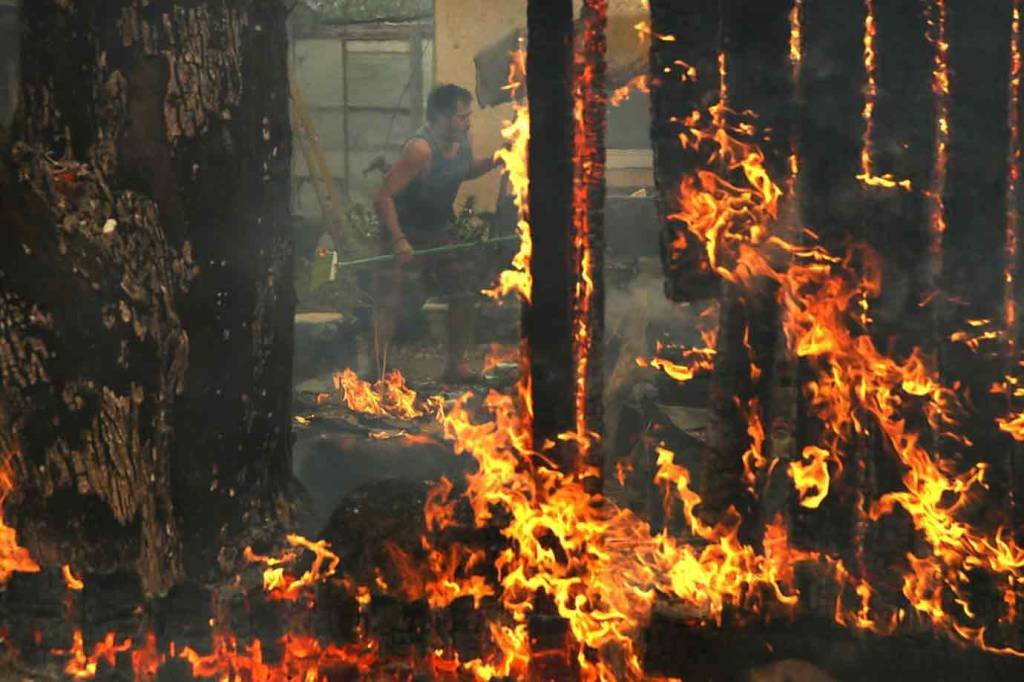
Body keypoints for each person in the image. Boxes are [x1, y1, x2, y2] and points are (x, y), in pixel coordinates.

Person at [372, 84, 500, 383]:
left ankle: (456, 366)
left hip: (440, 229)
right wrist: (398, 240)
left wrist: (496, 160)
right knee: (390, 302)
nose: (468, 122)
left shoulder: (461, 139)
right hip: (404, 232)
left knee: (463, 290)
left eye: (468, 116)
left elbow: (464, 170)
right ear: (441, 118)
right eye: (462, 117)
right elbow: (383, 197)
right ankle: (378, 369)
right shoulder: (420, 149)